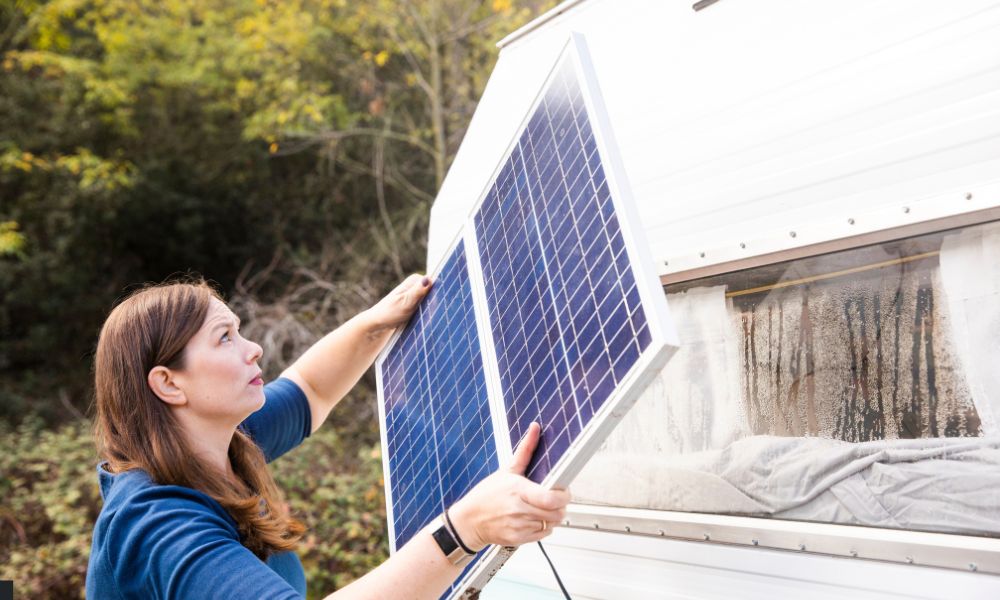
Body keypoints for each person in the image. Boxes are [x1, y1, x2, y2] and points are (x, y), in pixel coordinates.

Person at [85, 275, 570, 599]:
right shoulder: (158, 525)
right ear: (169, 384)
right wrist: (464, 531)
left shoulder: (216, 438)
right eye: (225, 337)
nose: (254, 349)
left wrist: (376, 321)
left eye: (239, 331)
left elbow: (311, 390)